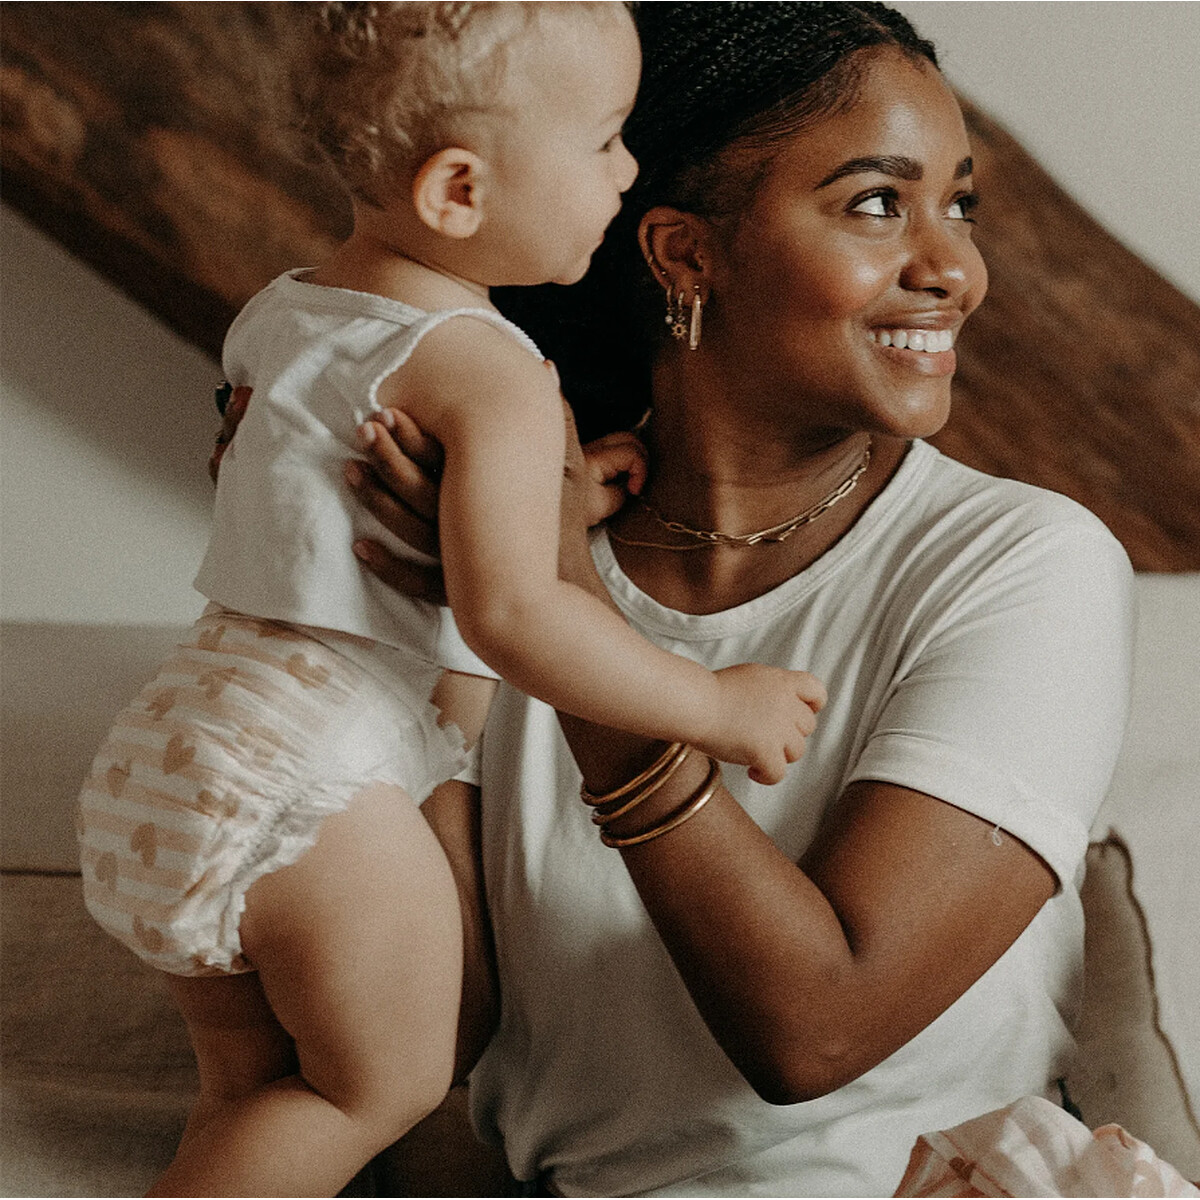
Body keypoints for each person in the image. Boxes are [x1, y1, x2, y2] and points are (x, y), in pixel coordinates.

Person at [335, 3, 1137, 1194]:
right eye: (879, 203)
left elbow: (817, 1027)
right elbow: (436, 1035)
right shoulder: (498, 556)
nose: (956, 271)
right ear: (685, 254)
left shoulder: (1021, 564)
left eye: (959, 204)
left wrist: (554, 611)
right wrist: (397, 598)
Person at [74, 4, 827, 1196]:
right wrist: (714, 705)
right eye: (604, 140)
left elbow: (340, 503)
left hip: (177, 749)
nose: (628, 171)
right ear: (460, 191)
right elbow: (513, 618)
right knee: (374, 1091)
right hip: (308, 786)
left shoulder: (282, 311)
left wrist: (550, 495)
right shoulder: (493, 373)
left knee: (257, 1095)